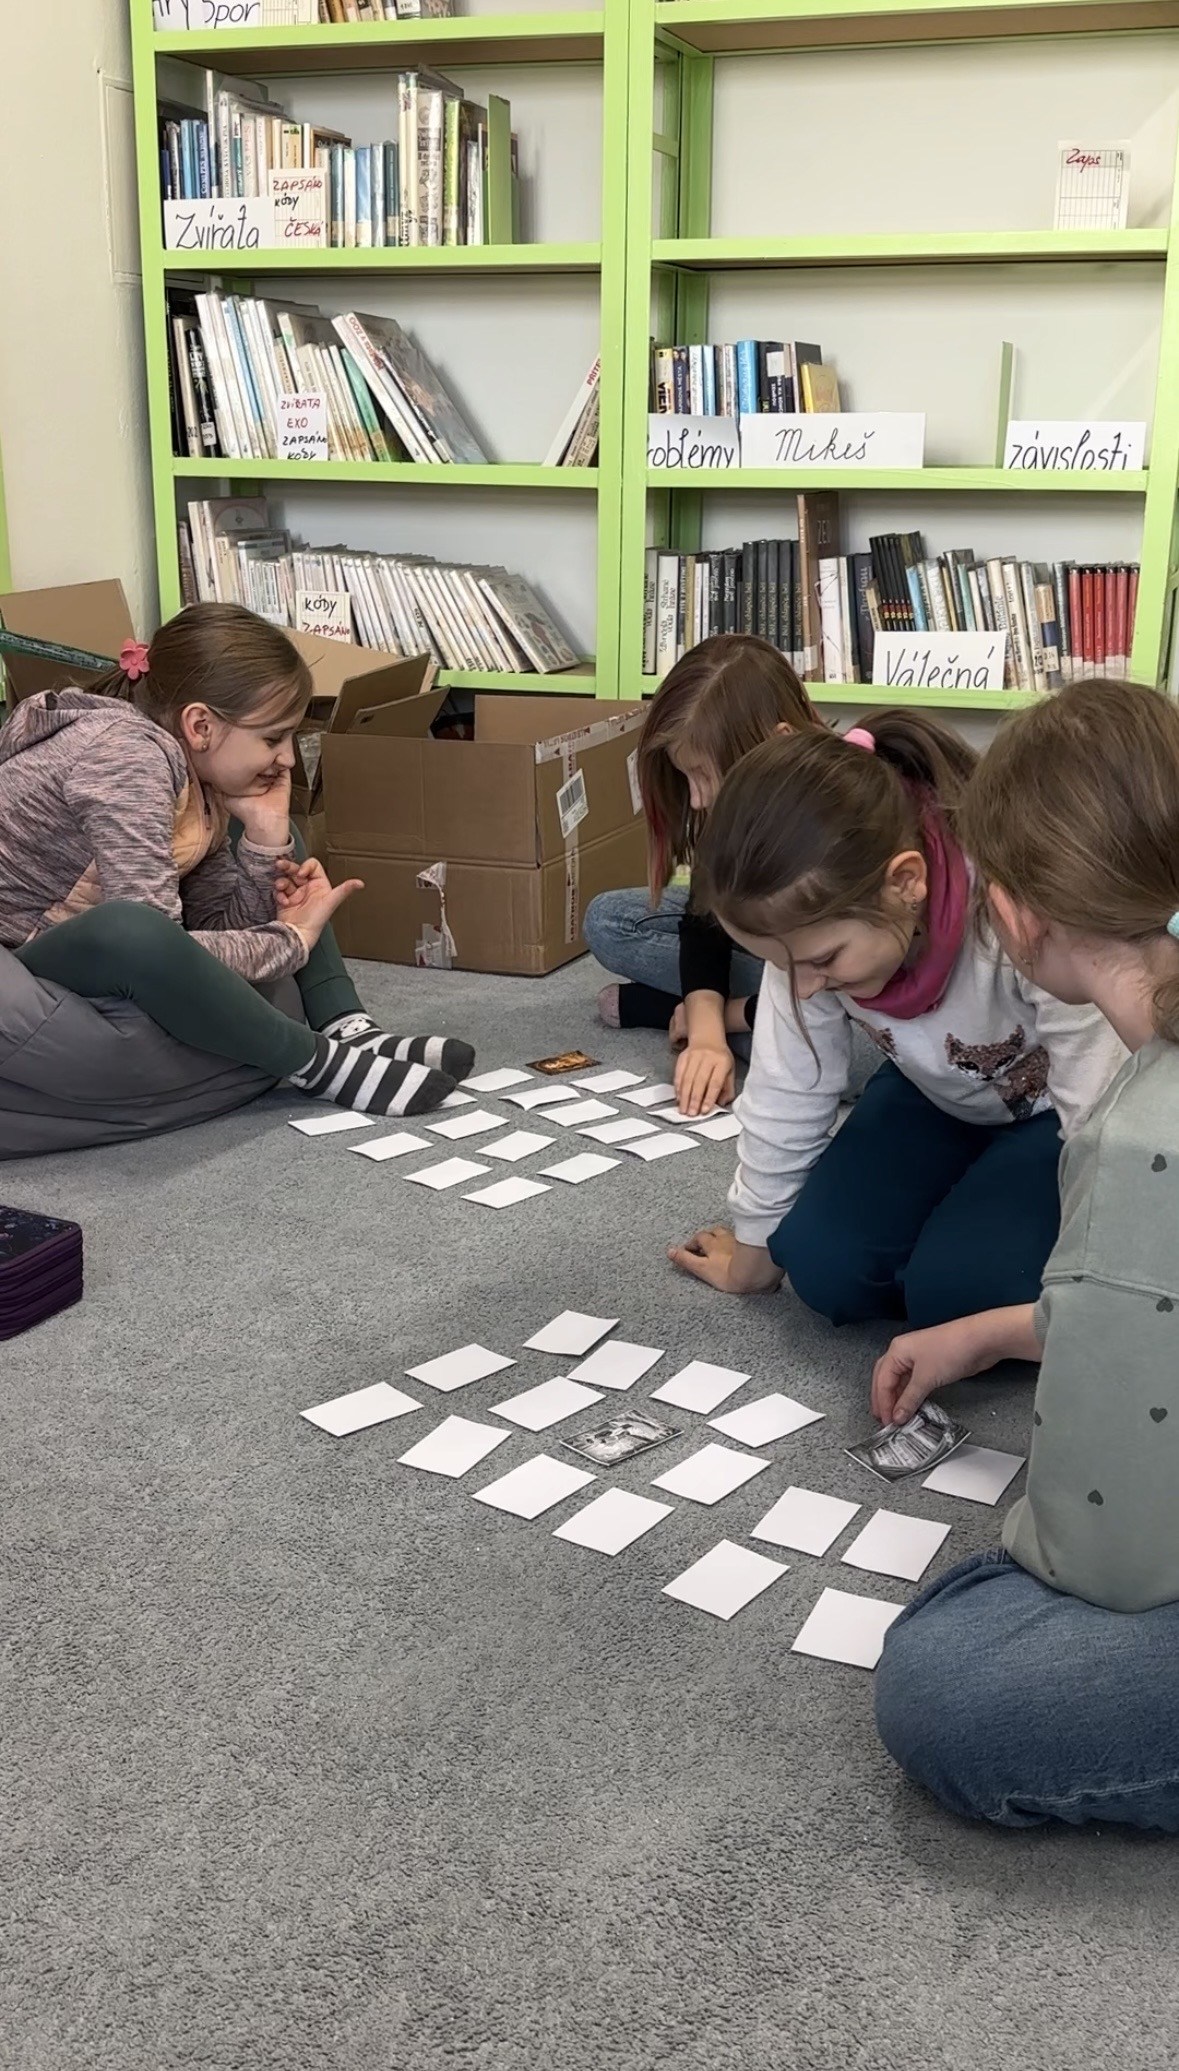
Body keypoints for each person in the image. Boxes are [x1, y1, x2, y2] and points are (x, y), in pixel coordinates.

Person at [871, 679, 1179, 1831]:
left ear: (1013, 912)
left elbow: (1109, 1553)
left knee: (945, 1682)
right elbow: (1152, 1305)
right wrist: (987, 1333)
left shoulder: (1142, 1137)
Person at [669, 711, 1124, 1330]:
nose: (803, 986)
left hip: (1055, 1115)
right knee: (819, 1268)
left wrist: (1099, 1266)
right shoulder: (806, 943)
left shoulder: (1012, 910)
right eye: (781, 965)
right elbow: (784, 1092)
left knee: (962, 1295)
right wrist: (753, 1255)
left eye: (824, 960)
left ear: (905, 881)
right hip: (932, 1095)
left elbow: (1098, 1107)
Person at [0, 604, 474, 1119]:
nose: (288, 759)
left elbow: (216, 925)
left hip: (85, 945)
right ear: (200, 725)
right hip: (25, 952)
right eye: (272, 738)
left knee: (283, 835)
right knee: (132, 928)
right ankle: (316, 1063)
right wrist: (288, 942)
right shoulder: (127, 757)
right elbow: (155, 946)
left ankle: (347, 1026)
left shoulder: (195, 773)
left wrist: (267, 840)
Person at [582, 635, 824, 1116]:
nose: (696, 800)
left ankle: (691, 1009)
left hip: (821, 973)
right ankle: (726, 1015)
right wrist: (708, 1038)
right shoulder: (727, 806)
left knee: (847, 1050)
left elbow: (833, 975)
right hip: (763, 952)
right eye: (686, 777)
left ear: (777, 745)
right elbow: (703, 921)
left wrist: (725, 1016)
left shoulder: (838, 810)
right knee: (608, 920)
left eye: (705, 776)